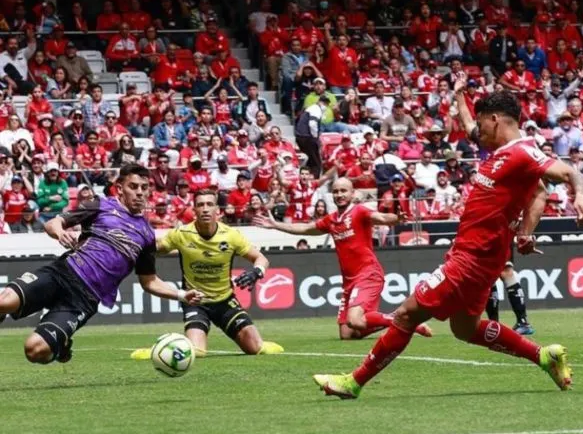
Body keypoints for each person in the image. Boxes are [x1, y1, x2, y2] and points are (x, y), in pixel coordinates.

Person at [311, 83, 583, 400]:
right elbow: (536, 190)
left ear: (495, 119)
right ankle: (543, 356)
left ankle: (353, 382)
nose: (477, 132)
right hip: (482, 258)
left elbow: (572, 174)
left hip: (472, 258)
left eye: (482, 124)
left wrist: (580, 196)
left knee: (405, 315)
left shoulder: (523, 152)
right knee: (465, 328)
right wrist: (459, 97)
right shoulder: (501, 150)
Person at [0, 164, 204, 364]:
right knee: (4, 302)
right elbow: (52, 223)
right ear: (120, 188)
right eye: (133, 186)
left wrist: (181, 295)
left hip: (84, 298)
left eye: (144, 187)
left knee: (35, 351)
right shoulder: (100, 205)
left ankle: (60, 346)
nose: (140, 192)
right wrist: (60, 233)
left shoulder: (147, 235)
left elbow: (149, 281)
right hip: (62, 273)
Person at [255, 177, 433, 341]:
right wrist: (275, 225)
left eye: (343, 191)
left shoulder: (359, 211)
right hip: (349, 282)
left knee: (355, 320)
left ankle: (407, 321)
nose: (339, 195)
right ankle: (395, 320)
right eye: (336, 191)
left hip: (368, 274)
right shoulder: (331, 220)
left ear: (352, 193)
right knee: (347, 334)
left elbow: (381, 217)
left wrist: (396, 219)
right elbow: (306, 228)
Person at [130, 189, 284, 360]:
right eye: (200, 205)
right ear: (194, 209)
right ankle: (159, 348)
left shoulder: (231, 235)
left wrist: (257, 272)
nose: (205, 209)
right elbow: (153, 249)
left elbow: (261, 258)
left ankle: (258, 342)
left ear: (217, 209)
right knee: (196, 352)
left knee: (254, 348)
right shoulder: (181, 234)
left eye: (209, 204)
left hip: (225, 301)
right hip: (195, 302)